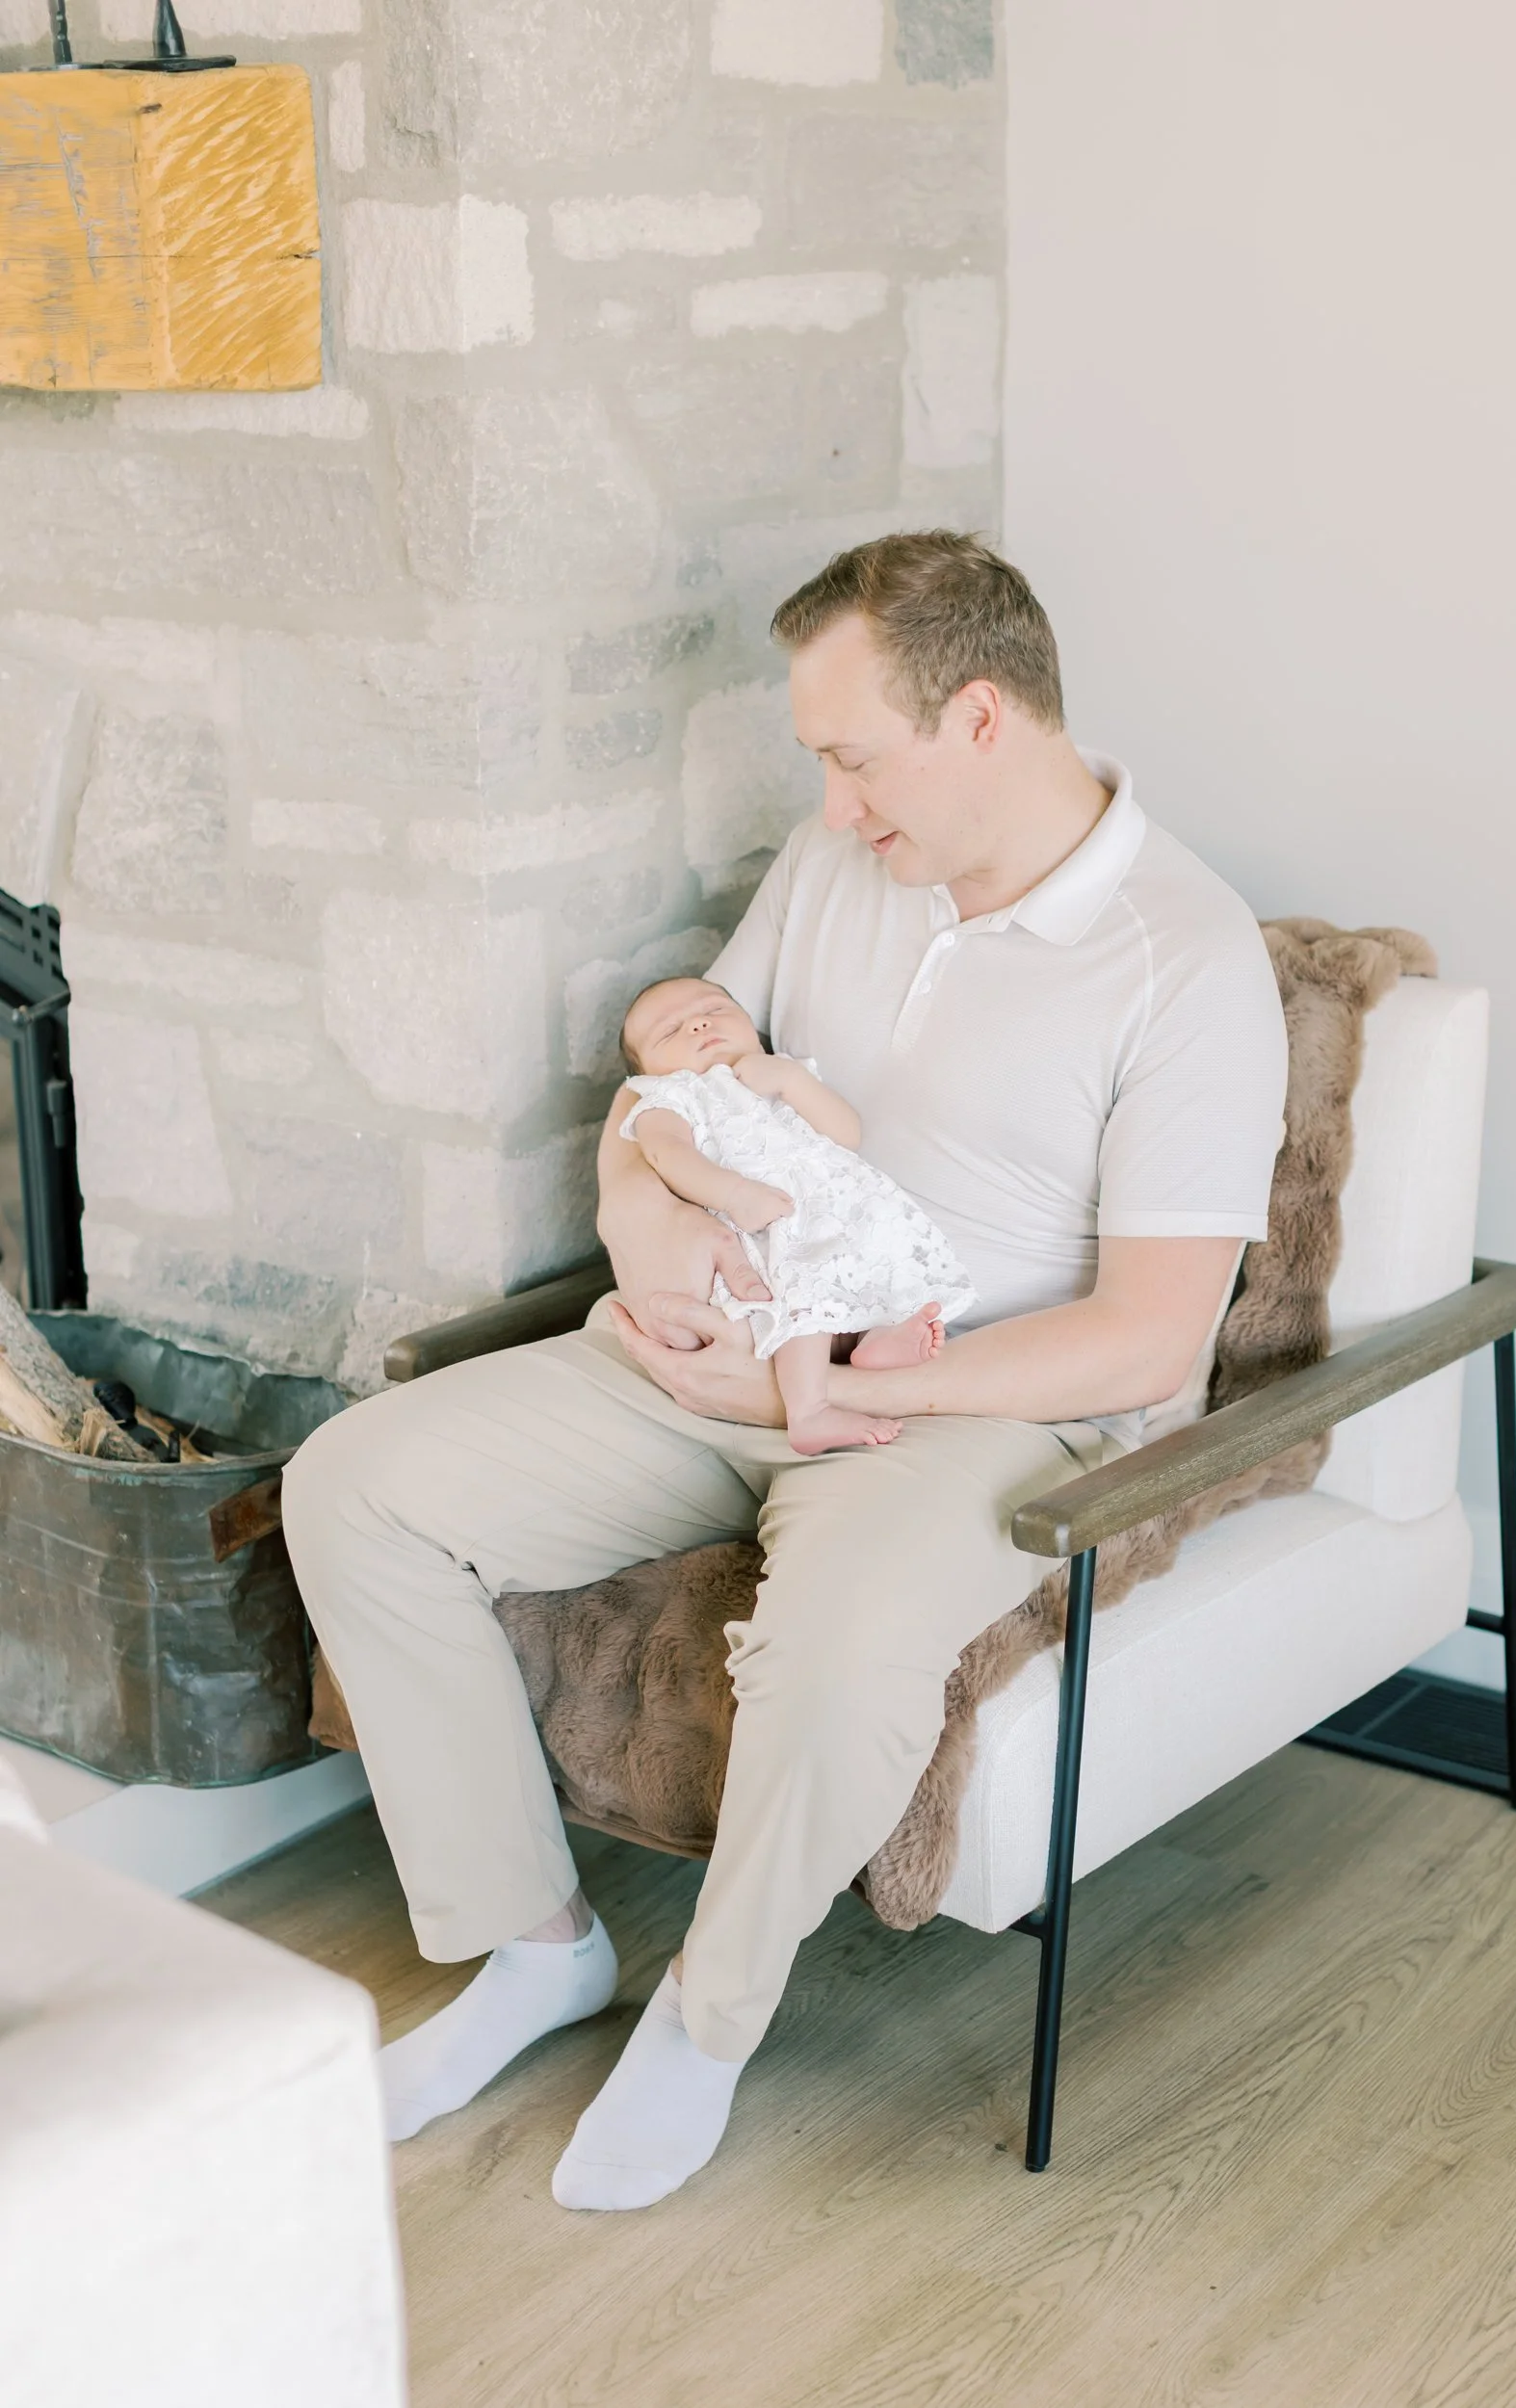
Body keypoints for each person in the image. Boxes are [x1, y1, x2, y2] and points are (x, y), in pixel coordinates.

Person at [281, 531, 1288, 2213]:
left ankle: (707, 2013)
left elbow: (1148, 1338)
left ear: (980, 719)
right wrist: (642, 1229)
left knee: (833, 1654)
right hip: (712, 1363)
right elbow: (692, 1077)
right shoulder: (847, 873)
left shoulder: (1186, 958)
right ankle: (533, 1949)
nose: (830, 812)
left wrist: (844, 1391)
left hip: (974, 1407)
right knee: (353, 1485)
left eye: (849, 761)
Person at [616, 974, 978, 1453]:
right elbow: (669, 1155)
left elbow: (845, 1134)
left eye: (715, 1009)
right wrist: (733, 1193)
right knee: (802, 1290)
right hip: (767, 1224)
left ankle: (874, 1341)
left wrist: (793, 1080)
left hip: (839, 1209)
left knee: (875, 1261)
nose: (700, 1023)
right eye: (670, 1031)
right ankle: (809, 1410)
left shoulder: (779, 1071)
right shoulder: (671, 1097)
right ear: (645, 1073)